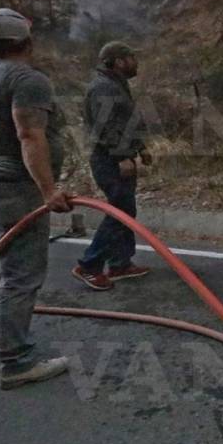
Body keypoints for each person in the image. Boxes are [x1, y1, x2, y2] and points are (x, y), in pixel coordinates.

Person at [0, 8, 73, 390]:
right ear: (27, 40)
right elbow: (29, 135)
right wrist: (48, 190)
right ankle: (16, 362)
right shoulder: (27, 79)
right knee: (20, 276)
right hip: (14, 189)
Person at [72, 41, 152, 291]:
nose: (136, 63)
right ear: (119, 61)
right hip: (109, 159)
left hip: (118, 156)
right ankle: (89, 265)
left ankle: (120, 264)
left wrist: (140, 148)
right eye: (132, 58)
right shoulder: (103, 88)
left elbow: (125, 122)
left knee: (125, 210)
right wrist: (121, 157)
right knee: (120, 212)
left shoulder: (116, 84)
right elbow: (105, 127)